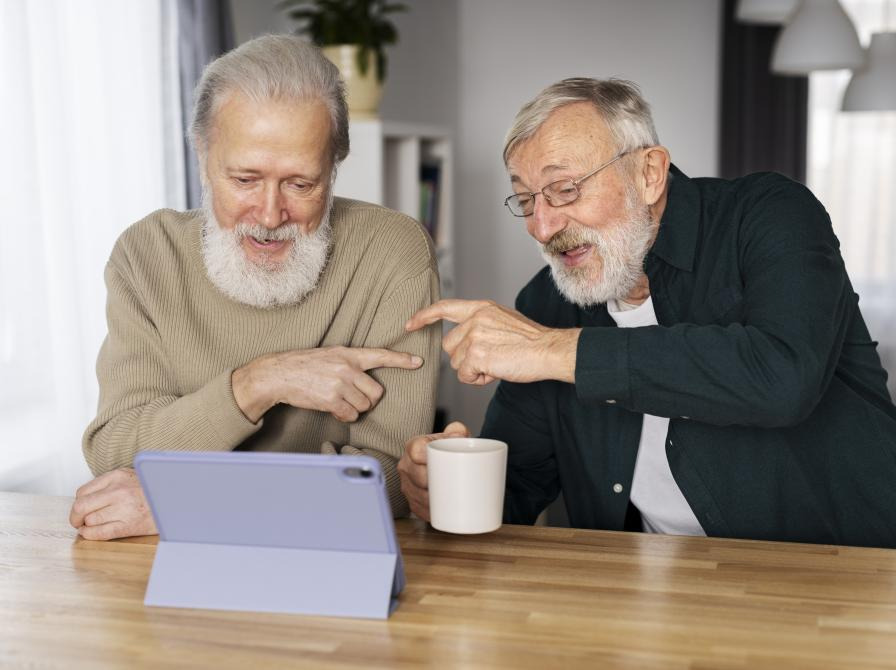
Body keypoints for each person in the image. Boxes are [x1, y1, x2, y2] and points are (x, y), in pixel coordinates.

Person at [398, 77, 896, 548]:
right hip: (650, 594)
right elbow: (517, 492)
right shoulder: (546, 303)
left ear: (650, 173)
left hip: (847, 575)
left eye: (565, 189)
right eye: (526, 199)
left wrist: (556, 350)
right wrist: (444, 490)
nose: (542, 227)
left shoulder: (770, 214)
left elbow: (783, 375)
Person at [69, 35, 440, 541]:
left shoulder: (393, 253)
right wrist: (260, 383)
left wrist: (186, 502)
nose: (269, 215)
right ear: (203, 155)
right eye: (245, 179)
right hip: (158, 562)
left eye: (300, 184)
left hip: (334, 558)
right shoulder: (146, 254)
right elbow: (116, 453)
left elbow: (391, 480)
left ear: (334, 168)